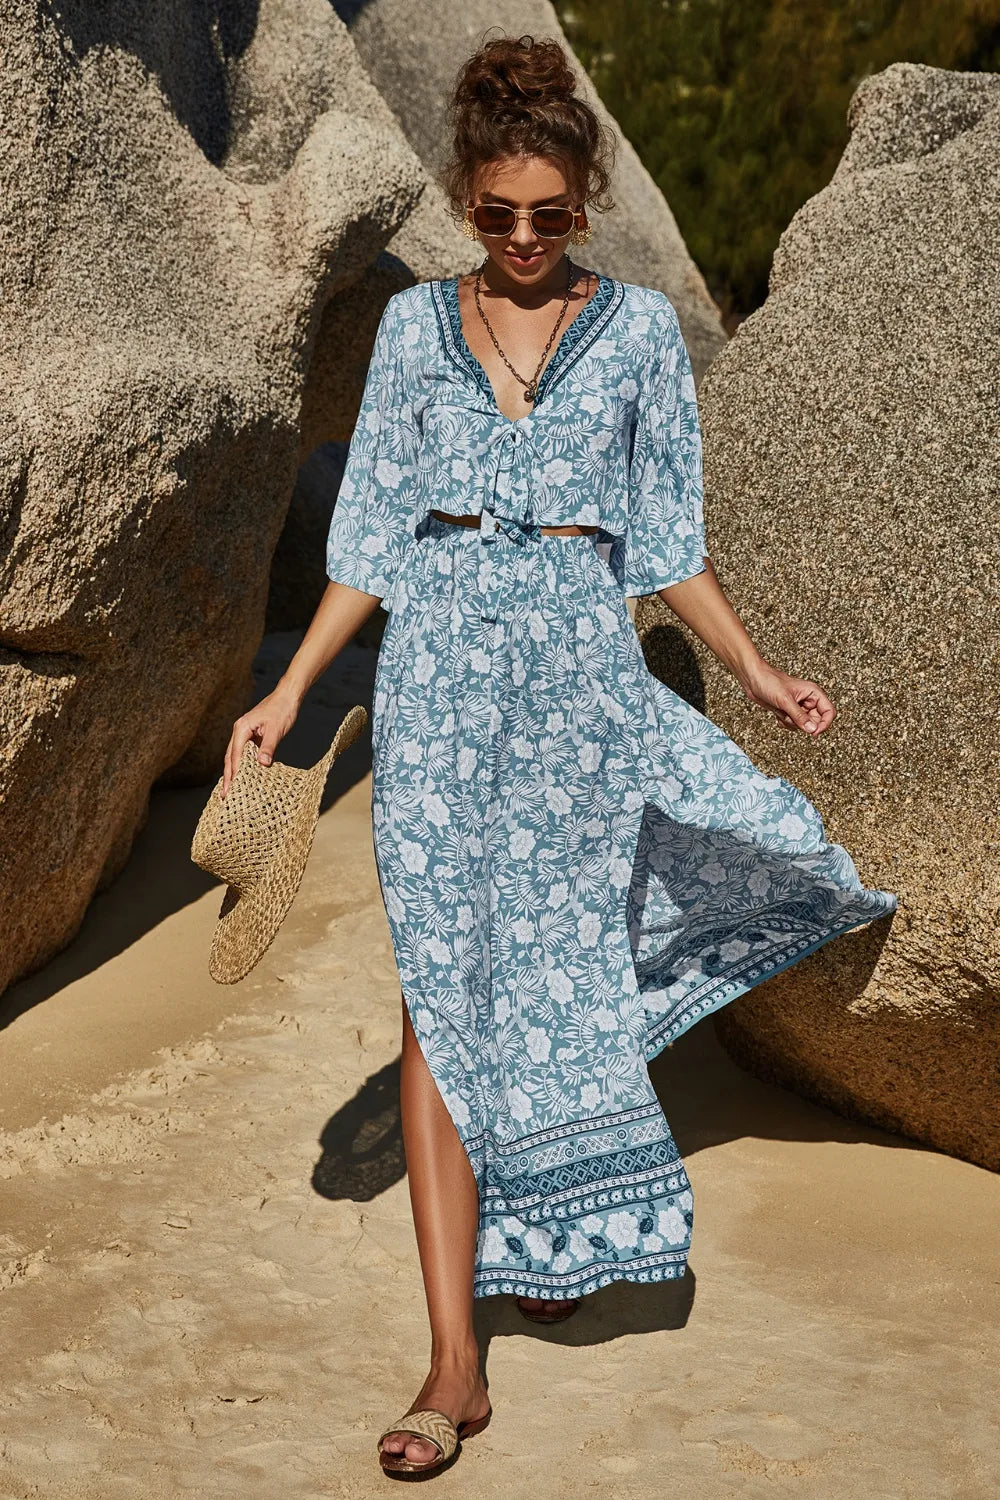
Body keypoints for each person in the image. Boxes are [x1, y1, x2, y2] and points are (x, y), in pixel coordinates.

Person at [221, 32, 897, 1478]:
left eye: (551, 216)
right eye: (496, 215)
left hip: (583, 701)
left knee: (560, 973)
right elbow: (372, 546)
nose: (523, 241)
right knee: (440, 1002)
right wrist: (290, 696)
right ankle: (452, 1363)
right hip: (445, 695)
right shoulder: (414, 334)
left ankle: (537, 1213)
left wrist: (762, 673)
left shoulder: (644, 334)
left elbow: (666, 544)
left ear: (584, 198)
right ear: (466, 196)